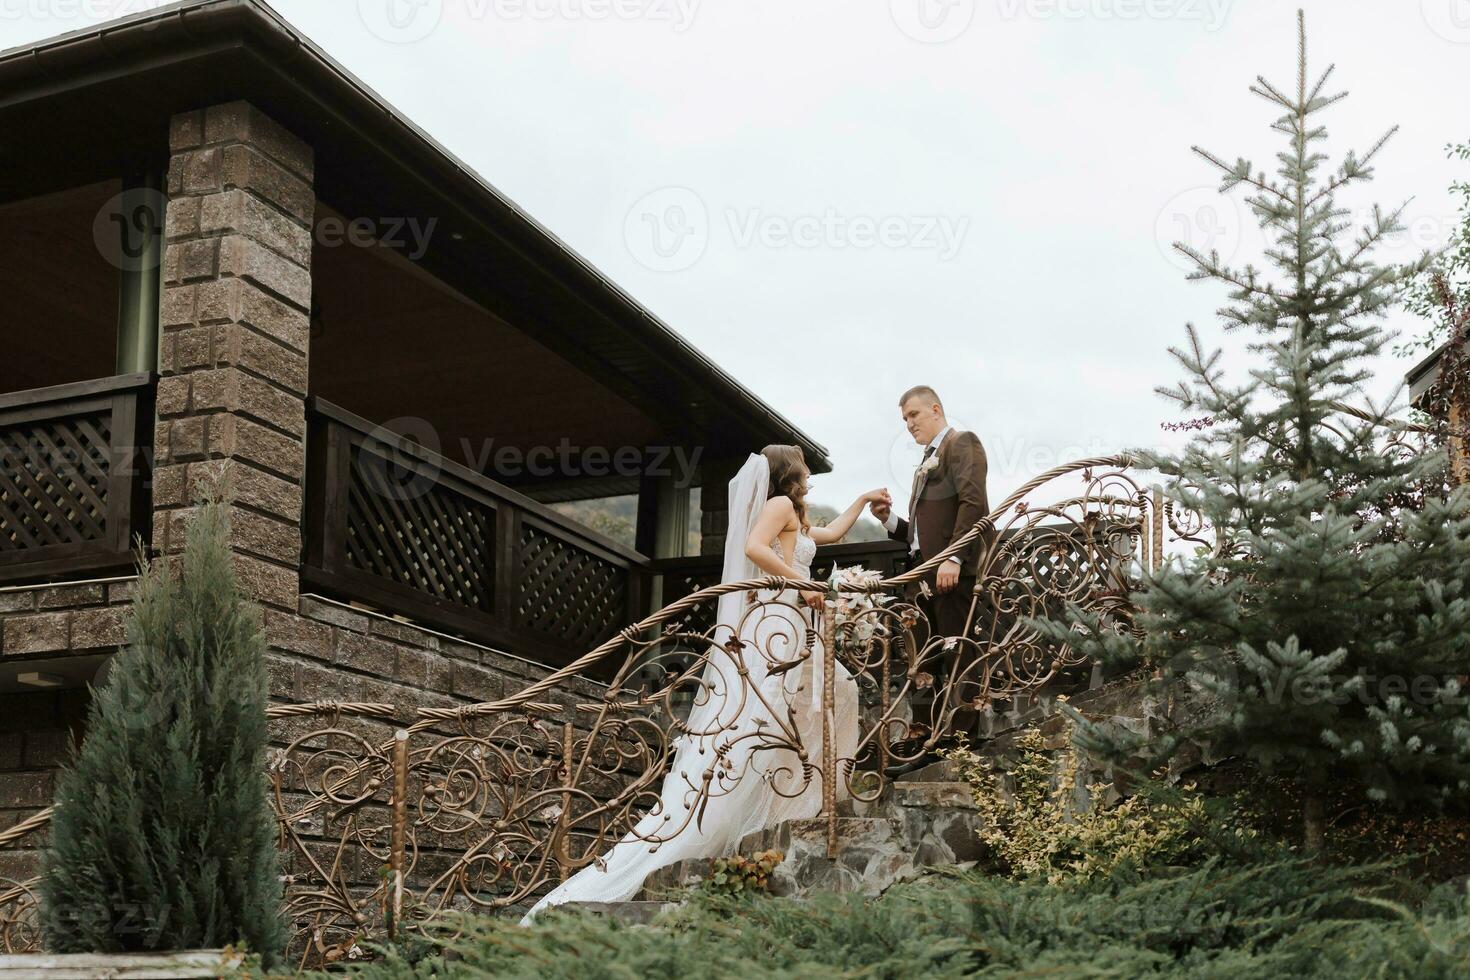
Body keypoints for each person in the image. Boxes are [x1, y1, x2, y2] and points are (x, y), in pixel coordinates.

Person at [523, 446, 887, 920]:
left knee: (824, 697)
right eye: (802, 464)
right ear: (788, 473)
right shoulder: (776, 505)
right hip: (780, 621)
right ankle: (782, 804)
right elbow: (753, 548)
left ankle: (802, 800)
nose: (808, 470)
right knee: (785, 709)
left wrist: (861, 500)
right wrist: (801, 585)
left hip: (795, 623)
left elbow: (831, 533)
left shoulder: (793, 511)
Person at [868, 385, 993, 770]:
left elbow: (974, 505)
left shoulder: (962, 442)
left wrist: (954, 556)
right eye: (905, 419)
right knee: (922, 659)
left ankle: (958, 740)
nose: (909, 425)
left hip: (954, 573)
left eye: (914, 415)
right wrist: (888, 519)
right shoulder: (926, 461)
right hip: (921, 577)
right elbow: (921, 534)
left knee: (959, 653)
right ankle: (922, 740)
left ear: (936, 409)